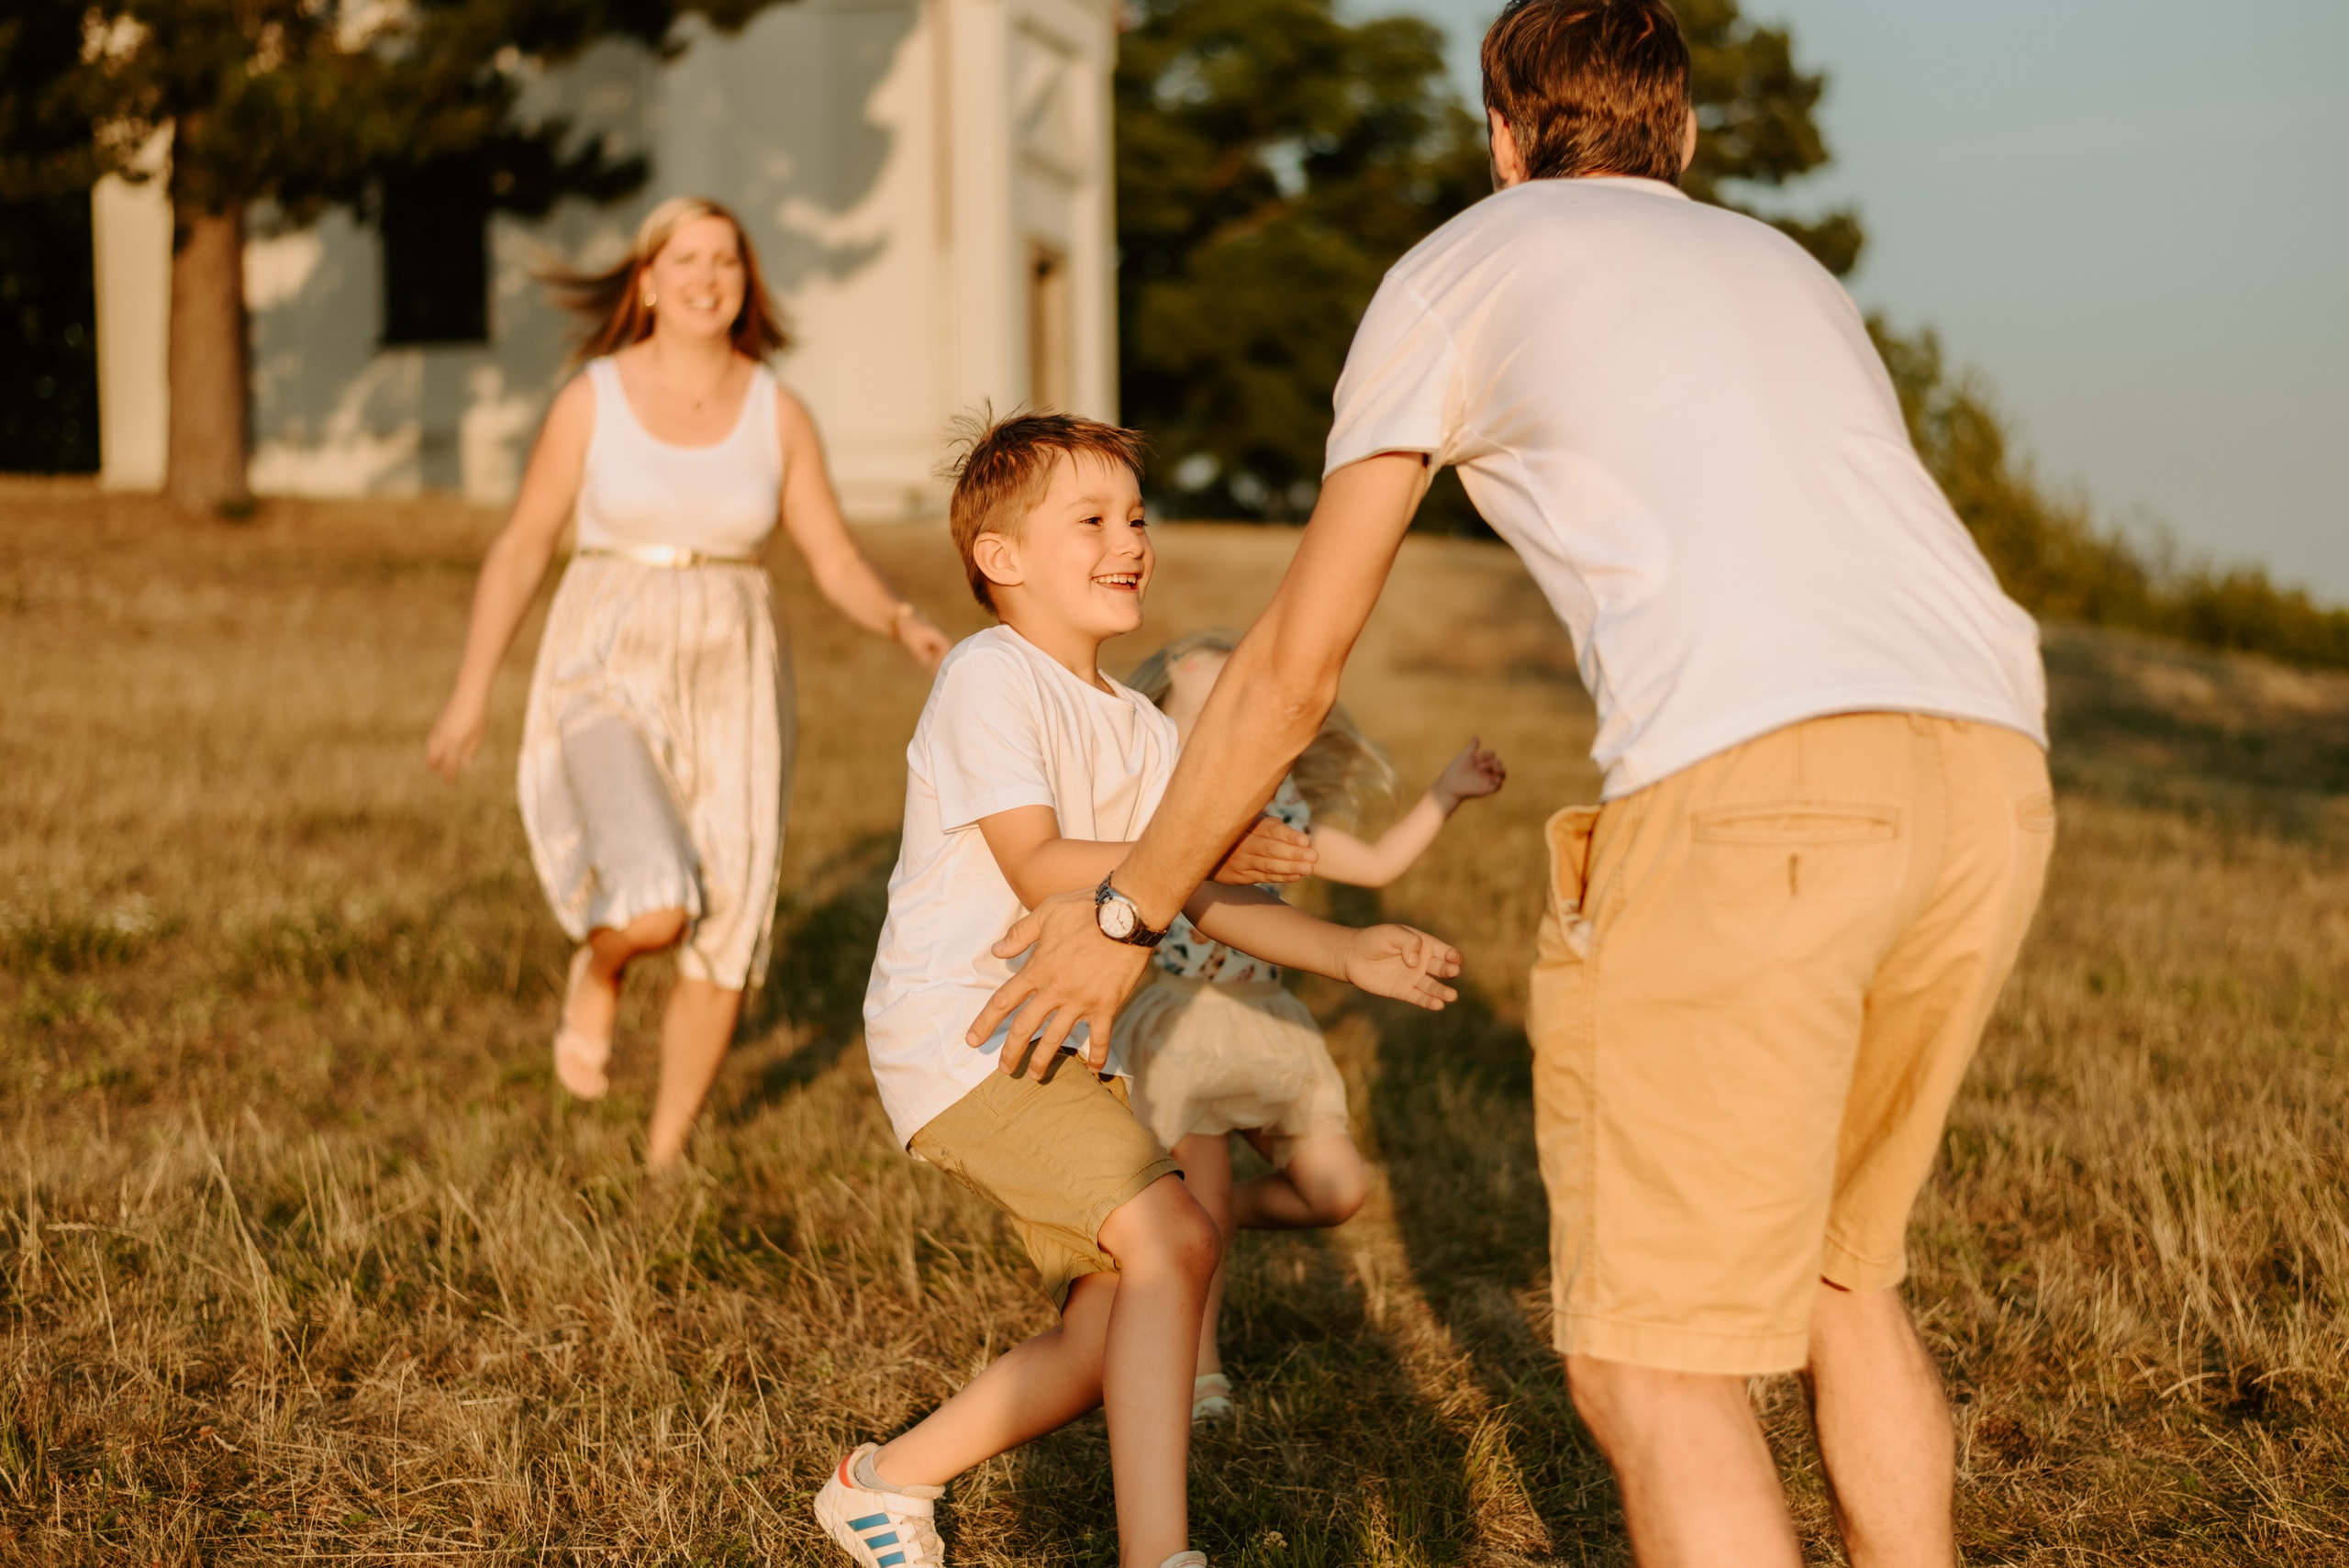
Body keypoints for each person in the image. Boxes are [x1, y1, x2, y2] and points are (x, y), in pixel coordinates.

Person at [965, 3, 2057, 1562]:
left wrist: (1132, 903)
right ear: (1677, 136)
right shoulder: (1787, 272)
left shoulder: (1461, 267)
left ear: (1500, 133)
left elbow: (1289, 667)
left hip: (1761, 785)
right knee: (1842, 1274)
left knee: (1652, 1361)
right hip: (1990, 774)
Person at [814, 412, 1464, 1568]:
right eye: (1093, 520)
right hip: (966, 1035)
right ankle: (1159, 1555)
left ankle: (884, 1480)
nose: (1131, 541)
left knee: (1118, 1311)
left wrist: (1348, 949)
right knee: (1172, 1235)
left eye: (1138, 517)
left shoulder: (1143, 730)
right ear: (999, 559)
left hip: (1062, 1044)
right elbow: (1042, 862)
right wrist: (1187, 853)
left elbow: (1198, 895)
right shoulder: (989, 678)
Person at [424, 195, 952, 1171]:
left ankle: (664, 1157)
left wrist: (896, 616)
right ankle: (603, 958)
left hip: (734, 669)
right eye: (687, 259)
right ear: (646, 280)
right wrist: (471, 690)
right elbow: (522, 545)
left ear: (744, 285)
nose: (708, 277)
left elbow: (829, 553)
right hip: (605, 656)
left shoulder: (775, 410)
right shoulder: (593, 398)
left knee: (730, 915)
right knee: (656, 900)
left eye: (727, 262)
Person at [1116, 630, 1507, 1421]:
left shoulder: (1286, 816)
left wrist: (1448, 791)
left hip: (1271, 1028)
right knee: (1208, 1197)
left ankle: (1198, 1215)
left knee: (1338, 1190)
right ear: (1162, 739)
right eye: (1203, 724)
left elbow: (1378, 865)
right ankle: (1198, 1372)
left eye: (1245, 722)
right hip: (1188, 1030)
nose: (1228, 742)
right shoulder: (1165, 819)